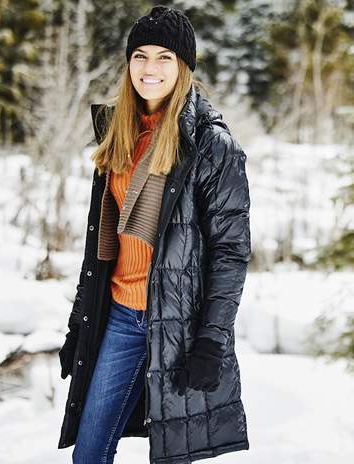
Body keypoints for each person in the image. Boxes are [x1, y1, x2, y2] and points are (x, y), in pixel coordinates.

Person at [55, 5, 252, 464]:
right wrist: (77, 328)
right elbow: (102, 250)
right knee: (89, 454)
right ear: (128, 65)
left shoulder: (210, 143)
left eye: (165, 57)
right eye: (140, 56)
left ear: (183, 67)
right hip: (123, 317)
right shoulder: (118, 137)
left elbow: (230, 251)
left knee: (171, 456)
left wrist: (212, 341)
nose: (150, 68)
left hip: (180, 327)